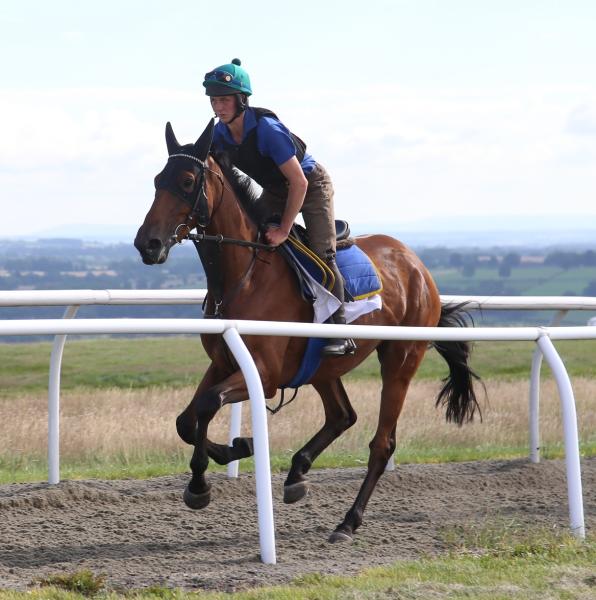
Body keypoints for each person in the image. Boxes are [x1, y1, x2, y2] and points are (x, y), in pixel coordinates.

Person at [204, 58, 355, 356]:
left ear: (241, 100)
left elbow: (298, 183)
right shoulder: (220, 133)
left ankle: (341, 331)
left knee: (325, 255)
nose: (218, 107)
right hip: (276, 189)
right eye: (214, 100)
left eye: (224, 100)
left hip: (310, 186)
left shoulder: (268, 130)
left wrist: (285, 230)